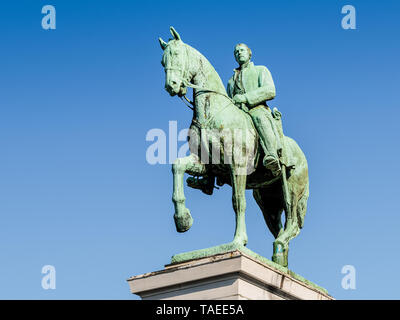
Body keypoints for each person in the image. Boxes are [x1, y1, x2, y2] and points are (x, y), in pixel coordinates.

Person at [227, 43, 281, 177]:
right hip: (238, 114)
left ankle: (271, 155)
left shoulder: (260, 70)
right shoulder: (230, 81)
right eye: (236, 52)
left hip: (257, 109)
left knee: (259, 117)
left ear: (249, 53)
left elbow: (270, 90)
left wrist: (246, 97)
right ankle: (211, 173)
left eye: (242, 50)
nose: (239, 53)